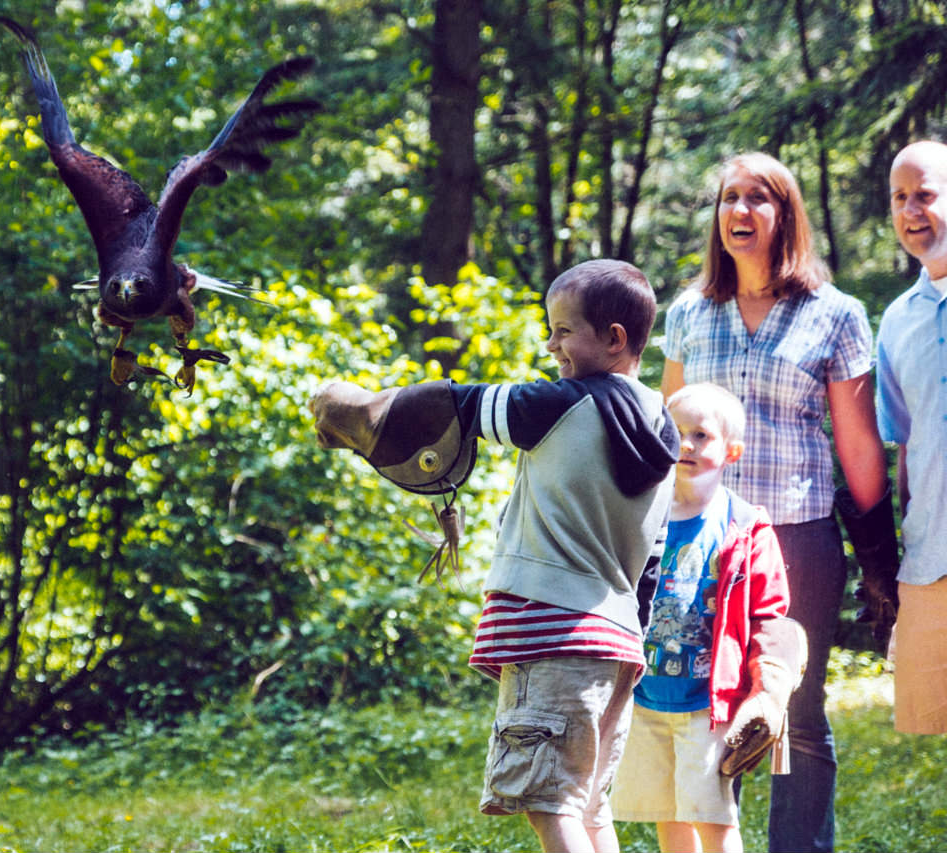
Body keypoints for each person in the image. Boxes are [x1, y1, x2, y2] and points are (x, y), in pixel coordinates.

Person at [312, 259, 679, 853]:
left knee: (549, 805)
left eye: (563, 330)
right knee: (589, 805)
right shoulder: (664, 424)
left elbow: (455, 406)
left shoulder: (557, 404)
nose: (550, 344)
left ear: (613, 338)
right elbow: (654, 560)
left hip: (552, 633)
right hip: (617, 641)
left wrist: (349, 409)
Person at [661, 152, 890, 853]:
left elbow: (857, 448)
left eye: (758, 199)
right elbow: (667, 430)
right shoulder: (689, 313)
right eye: (729, 198)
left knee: (800, 704)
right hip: (701, 540)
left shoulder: (837, 314)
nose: (739, 211)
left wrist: (879, 556)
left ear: (785, 215)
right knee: (696, 702)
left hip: (796, 538)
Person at [611, 383, 802, 853]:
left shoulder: (744, 525)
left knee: (714, 818)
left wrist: (767, 688)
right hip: (644, 694)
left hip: (707, 703)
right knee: (667, 813)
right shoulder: (638, 514)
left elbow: (769, 615)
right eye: (677, 433)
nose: (687, 445)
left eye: (702, 435)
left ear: (732, 450)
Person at [878, 139, 947, 735]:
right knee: (937, 725)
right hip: (931, 558)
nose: (910, 210)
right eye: (899, 198)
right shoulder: (897, 320)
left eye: (924, 194)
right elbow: (904, 445)